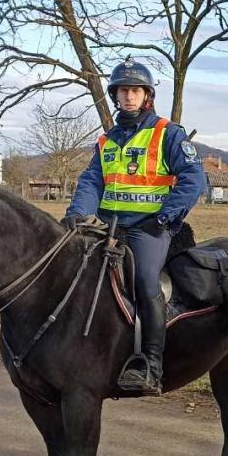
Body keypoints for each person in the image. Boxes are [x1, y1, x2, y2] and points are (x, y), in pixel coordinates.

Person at [63, 58, 206, 395]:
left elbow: (193, 180)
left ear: (147, 95)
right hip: (108, 226)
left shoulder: (168, 134)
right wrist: (78, 214)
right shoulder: (106, 141)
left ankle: (151, 365)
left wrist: (165, 216)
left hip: (151, 227)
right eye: (122, 90)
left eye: (134, 90)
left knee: (144, 281)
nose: (128, 96)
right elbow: (91, 181)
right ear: (115, 96)